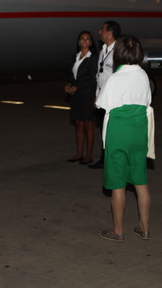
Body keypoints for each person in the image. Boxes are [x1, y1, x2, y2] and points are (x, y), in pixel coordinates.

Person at [96, 35, 153, 242]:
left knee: (118, 183)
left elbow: (101, 103)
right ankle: (144, 227)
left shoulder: (115, 78)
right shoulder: (143, 75)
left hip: (118, 132)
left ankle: (118, 230)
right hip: (138, 131)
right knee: (140, 181)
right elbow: (147, 100)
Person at [88, 20, 121, 169]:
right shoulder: (103, 50)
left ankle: (114, 159)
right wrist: (97, 95)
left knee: (113, 131)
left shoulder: (118, 52)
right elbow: (99, 75)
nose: (99, 31)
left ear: (110, 33)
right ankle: (105, 158)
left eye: (102, 29)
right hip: (102, 97)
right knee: (104, 129)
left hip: (113, 99)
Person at [64, 30, 97, 164]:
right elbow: (73, 75)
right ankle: (79, 153)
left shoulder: (93, 57)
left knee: (88, 124)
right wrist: (69, 85)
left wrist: (77, 87)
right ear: (79, 42)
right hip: (76, 95)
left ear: (91, 42)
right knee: (78, 124)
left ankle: (89, 155)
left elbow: (92, 78)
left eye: (87, 39)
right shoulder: (76, 56)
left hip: (87, 94)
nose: (84, 41)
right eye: (82, 39)